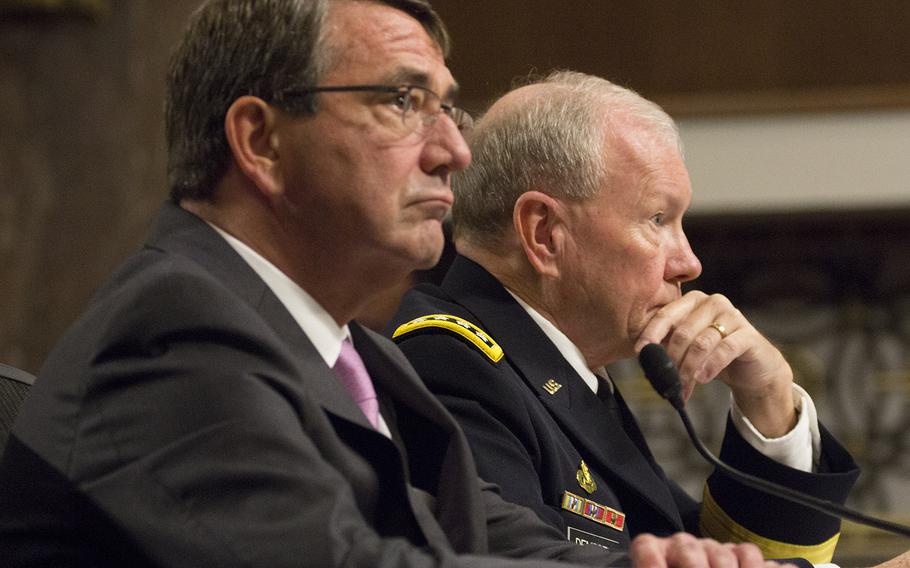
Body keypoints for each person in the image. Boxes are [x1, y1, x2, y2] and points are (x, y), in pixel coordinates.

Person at [0, 2, 781, 567]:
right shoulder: (173, 329)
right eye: (404, 102)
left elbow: (475, 534)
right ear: (261, 140)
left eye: (448, 109)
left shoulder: (364, 359)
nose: (454, 151)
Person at [388, 71, 860, 565]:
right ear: (544, 233)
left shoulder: (561, 370)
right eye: (658, 220)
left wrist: (768, 396)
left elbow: (709, 553)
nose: (689, 263)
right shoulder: (448, 363)